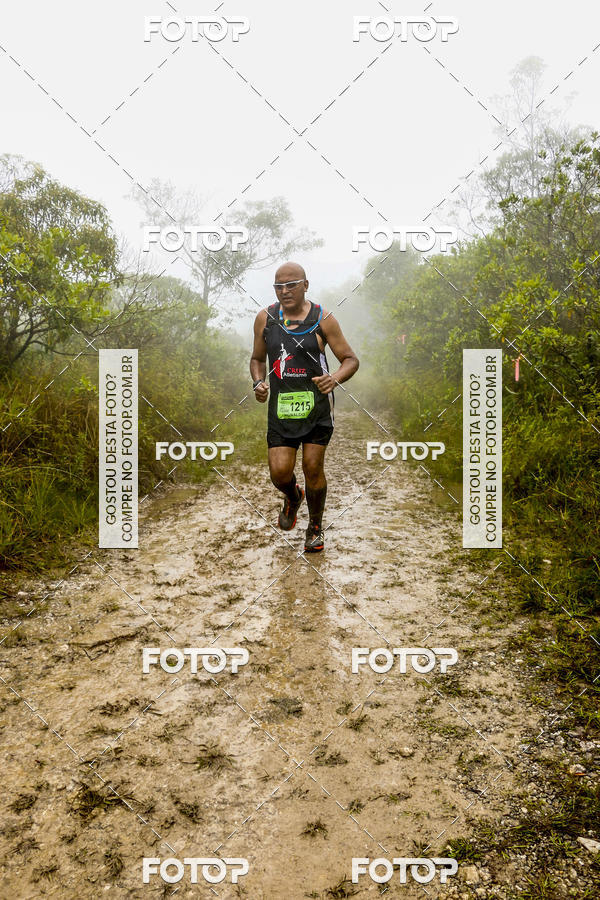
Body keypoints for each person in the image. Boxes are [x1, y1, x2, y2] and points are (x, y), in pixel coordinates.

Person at [250, 262, 359, 552]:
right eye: (279, 286)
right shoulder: (266, 318)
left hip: (318, 408)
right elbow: (257, 359)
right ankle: (293, 496)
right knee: (279, 473)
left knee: (312, 466)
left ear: (305, 285)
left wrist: (333, 378)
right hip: (281, 409)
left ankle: (315, 527)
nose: (285, 291)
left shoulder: (323, 319)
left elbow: (350, 359)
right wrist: (258, 382)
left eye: (291, 285)